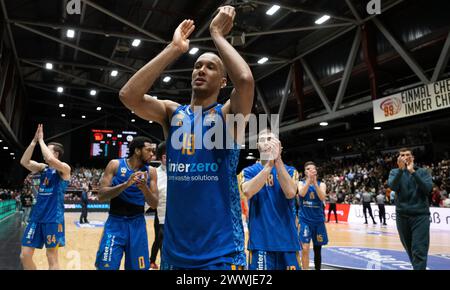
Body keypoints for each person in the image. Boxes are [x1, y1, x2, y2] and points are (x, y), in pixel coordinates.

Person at [119, 5, 254, 270]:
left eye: (211, 67)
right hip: (174, 252)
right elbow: (128, 96)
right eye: (197, 65)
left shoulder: (228, 115)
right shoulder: (172, 113)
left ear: (223, 81)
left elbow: (246, 80)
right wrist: (174, 48)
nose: (201, 70)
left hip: (221, 252)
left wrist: (217, 34)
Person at [238, 130, 300, 270]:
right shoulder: (248, 171)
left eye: (271, 139)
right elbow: (247, 191)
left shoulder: (291, 171)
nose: (268, 142)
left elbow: (290, 193)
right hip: (261, 244)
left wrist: (277, 162)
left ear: (280, 146)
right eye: (264, 140)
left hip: (288, 243)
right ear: (258, 146)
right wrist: (268, 166)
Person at [95, 137, 158, 270]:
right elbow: (101, 196)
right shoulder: (115, 165)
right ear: (137, 150)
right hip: (115, 222)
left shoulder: (151, 172)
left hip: (137, 224)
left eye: (153, 151)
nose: (152, 154)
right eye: (149, 150)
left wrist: (144, 188)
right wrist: (125, 184)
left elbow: (154, 204)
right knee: (106, 267)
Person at [19, 124, 71, 270]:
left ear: (56, 154)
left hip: (53, 218)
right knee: (25, 255)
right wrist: (34, 142)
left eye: (49, 148)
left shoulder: (64, 169)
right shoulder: (43, 168)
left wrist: (41, 140)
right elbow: (24, 162)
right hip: (36, 217)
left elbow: (49, 158)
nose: (45, 151)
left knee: (52, 257)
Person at [388, 148, 432, 270]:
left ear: (413, 157)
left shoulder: (423, 172)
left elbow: (427, 189)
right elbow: (393, 186)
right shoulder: (394, 172)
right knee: (409, 249)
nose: (405, 157)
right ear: (398, 159)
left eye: (408, 155)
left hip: (420, 216)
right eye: (402, 155)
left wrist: (413, 172)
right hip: (402, 216)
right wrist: (401, 171)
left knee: (419, 249)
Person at [298, 161, 328, 270]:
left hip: (318, 221)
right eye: (308, 169)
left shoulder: (322, 184)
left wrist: (314, 183)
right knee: (305, 248)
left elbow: (322, 197)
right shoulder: (300, 183)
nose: (311, 170)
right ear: (305, 172)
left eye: (313, 168)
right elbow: (301, 193)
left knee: (317, 249)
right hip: (305, 220)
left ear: (316, 171)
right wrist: (309, 181)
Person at [150, 141, 167, 270]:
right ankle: (153, 261)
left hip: (179, 217)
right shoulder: (154, 174)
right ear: (162, 157)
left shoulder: (181, 171)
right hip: (161, 216)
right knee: (160, 239)